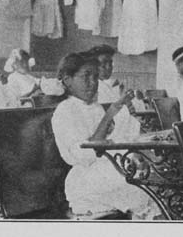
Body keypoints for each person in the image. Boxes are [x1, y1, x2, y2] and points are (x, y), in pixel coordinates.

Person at [51, 52, 158, 219]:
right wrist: (109, 116)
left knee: (147, 172)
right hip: (84, 179)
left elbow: (111, 139)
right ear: (67, 80)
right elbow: (83, 155)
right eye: (86, 76)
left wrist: (122, 117)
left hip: (103, 168)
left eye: (95, 77)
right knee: (139, 181)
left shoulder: (94, 107)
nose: (93, 83)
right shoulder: (64, 111)